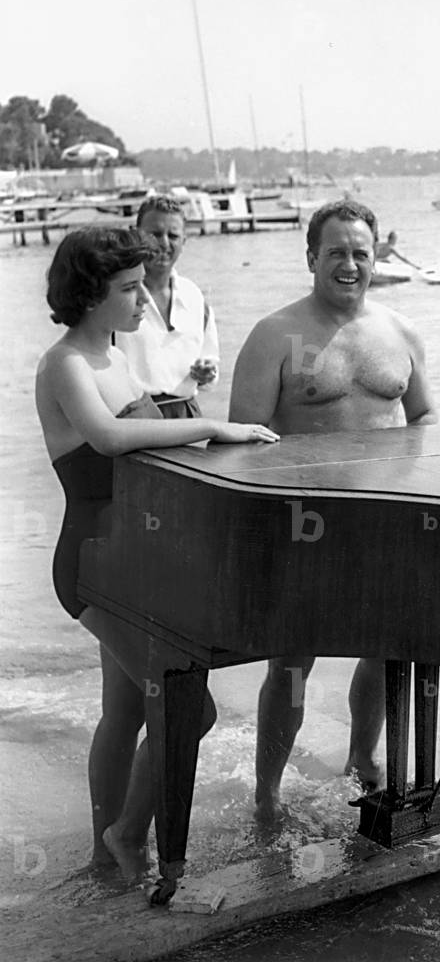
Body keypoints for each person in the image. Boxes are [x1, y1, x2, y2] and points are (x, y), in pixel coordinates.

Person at [35, 227, 278, 879]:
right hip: (92, 563)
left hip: (133, 562)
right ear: (90, 295)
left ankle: (102, 858)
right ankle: (127, 838)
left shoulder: (113, 356)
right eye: (130, 288)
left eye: (143, 285)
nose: (145, 299)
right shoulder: (65, 364)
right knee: (188, 709)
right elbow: (110, 437)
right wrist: (212, 424)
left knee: (124, 711)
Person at [228, 198, 437, 819]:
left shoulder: (401, 332)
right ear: (311, 257)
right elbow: (244, 439)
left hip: (385, 519)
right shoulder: (274, 335)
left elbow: (425, 415)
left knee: (387, 648)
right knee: (292, 663)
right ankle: (267, 794)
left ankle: (363, 760)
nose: (350, 264)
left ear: (377, 258)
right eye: (337, 252)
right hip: (305, 525)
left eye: (361, 253)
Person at [113, 194, 219, 419]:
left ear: (184, 240)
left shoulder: (194, 296)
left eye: (173, 236)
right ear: (136, 235)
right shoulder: (114, 295)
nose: (163, 243)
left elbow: (211, 366)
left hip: (187, 412)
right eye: (154, 234)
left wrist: (206, 373)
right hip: (133, 416)